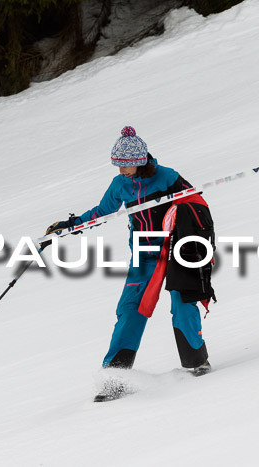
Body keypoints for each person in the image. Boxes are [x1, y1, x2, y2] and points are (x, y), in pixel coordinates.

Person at [46, 126, 214, 401]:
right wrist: (71, 225)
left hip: (174, 251)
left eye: (125, 166)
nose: (121, 171)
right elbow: (102, 212)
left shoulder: (167, 177)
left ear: (138, 161)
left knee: (182, 301)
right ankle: (115, 377)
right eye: (118, 166)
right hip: (145, 255)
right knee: (130, 308)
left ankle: (198, 362)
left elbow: (197, 205)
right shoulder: (120, 185)